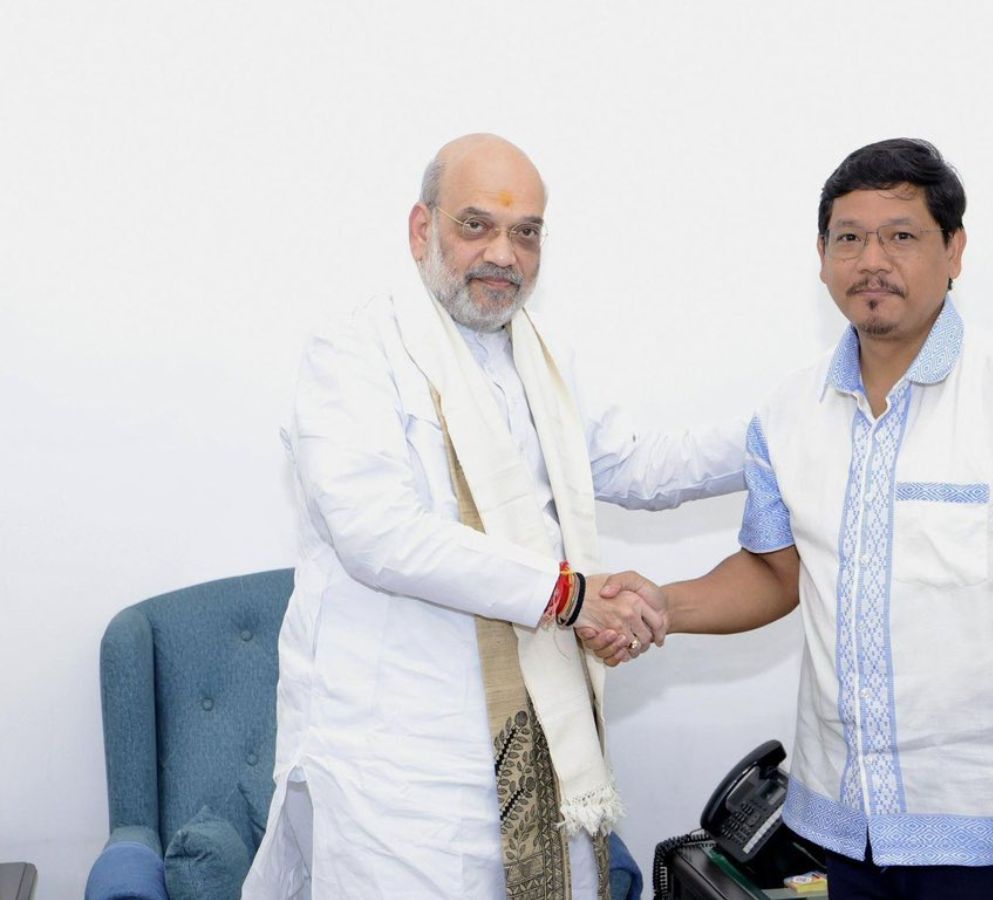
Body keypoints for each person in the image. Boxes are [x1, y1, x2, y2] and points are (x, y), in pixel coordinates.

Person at [589, 139, 993, 899]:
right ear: (822, 257)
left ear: (954, 250)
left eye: (901, 235)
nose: (871, 260)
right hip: (841, 826)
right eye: (849, 237)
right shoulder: (788, 412)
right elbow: (775, 573)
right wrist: (660, 606)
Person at [241, 133, 745, 899]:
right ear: (422, 229)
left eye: (526, 232)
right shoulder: (354, 352)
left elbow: (634, 463)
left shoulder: (539, 357)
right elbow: (379, 534)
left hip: (536, 748)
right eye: (476, 225)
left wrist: (784, 433)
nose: (503, 254)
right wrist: (568, 595)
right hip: (398, 769)